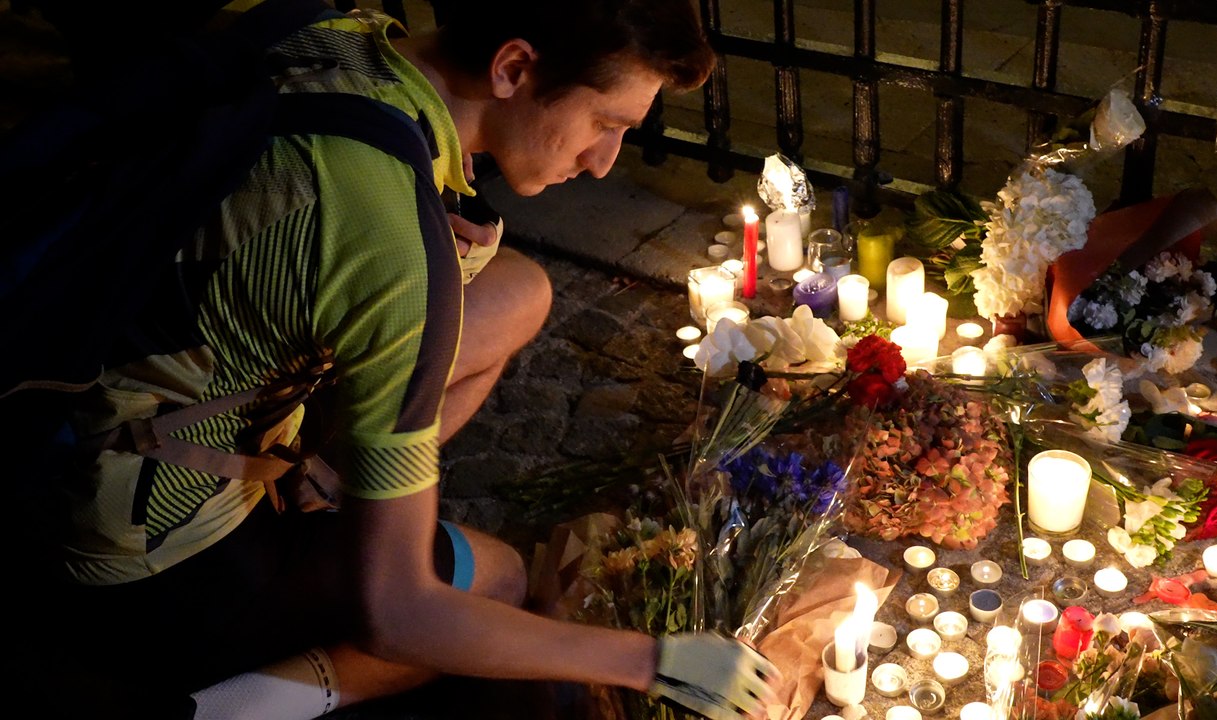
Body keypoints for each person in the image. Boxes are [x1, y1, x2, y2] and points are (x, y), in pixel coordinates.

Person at [18, 1, 781, 718]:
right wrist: (653, 661)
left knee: (519, 288)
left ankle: (339, 479)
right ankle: (234, 704)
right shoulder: (395, 254)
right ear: (513, 69)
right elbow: (399, 613)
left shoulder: (335, 27)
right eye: (603, 123)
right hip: (141, 548)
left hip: (96, 369)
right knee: (500, 579)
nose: (606, 162)